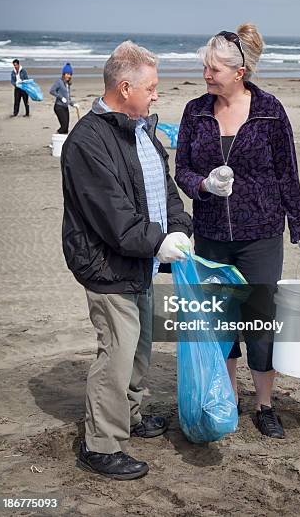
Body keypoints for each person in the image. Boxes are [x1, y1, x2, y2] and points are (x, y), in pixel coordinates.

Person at [175, 24, 300, 439]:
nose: (206, 74)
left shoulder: (270, 111)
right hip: (211, 235)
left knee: (258, 319)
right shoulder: (195, 111)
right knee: (219, 320)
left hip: (261, 235)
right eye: (204, 66)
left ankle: (265, 404)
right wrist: (202, 185)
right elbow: (181, 167)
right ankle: (227, 395)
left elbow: (288, 174)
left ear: (239, 72)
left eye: (213, 68)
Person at [61, 41, 192, 480]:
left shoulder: (142, 131)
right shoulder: (87, 142)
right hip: (108, 266)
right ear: (124, 86)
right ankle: (100, 443)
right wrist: (159, 243)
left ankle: (129, 415)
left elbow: (165, 191)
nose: (157, 95)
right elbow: (114, 217)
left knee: (139, 350)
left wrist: (179, 229)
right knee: (115, 356)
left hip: (142, 262)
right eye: (152, 87)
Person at [50, 63, 79, 134]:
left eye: (70, 74)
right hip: (59, 107)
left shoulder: (67, 84)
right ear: (63, 74)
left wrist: (73, 104)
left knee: (66, 128)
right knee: (63, 127)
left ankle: (62, 143)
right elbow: (52, 91)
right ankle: (54, 141)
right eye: (67, 74)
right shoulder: (59, 82)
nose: (68, 76)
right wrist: (61, 97)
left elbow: (68, 98)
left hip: (65, 107)